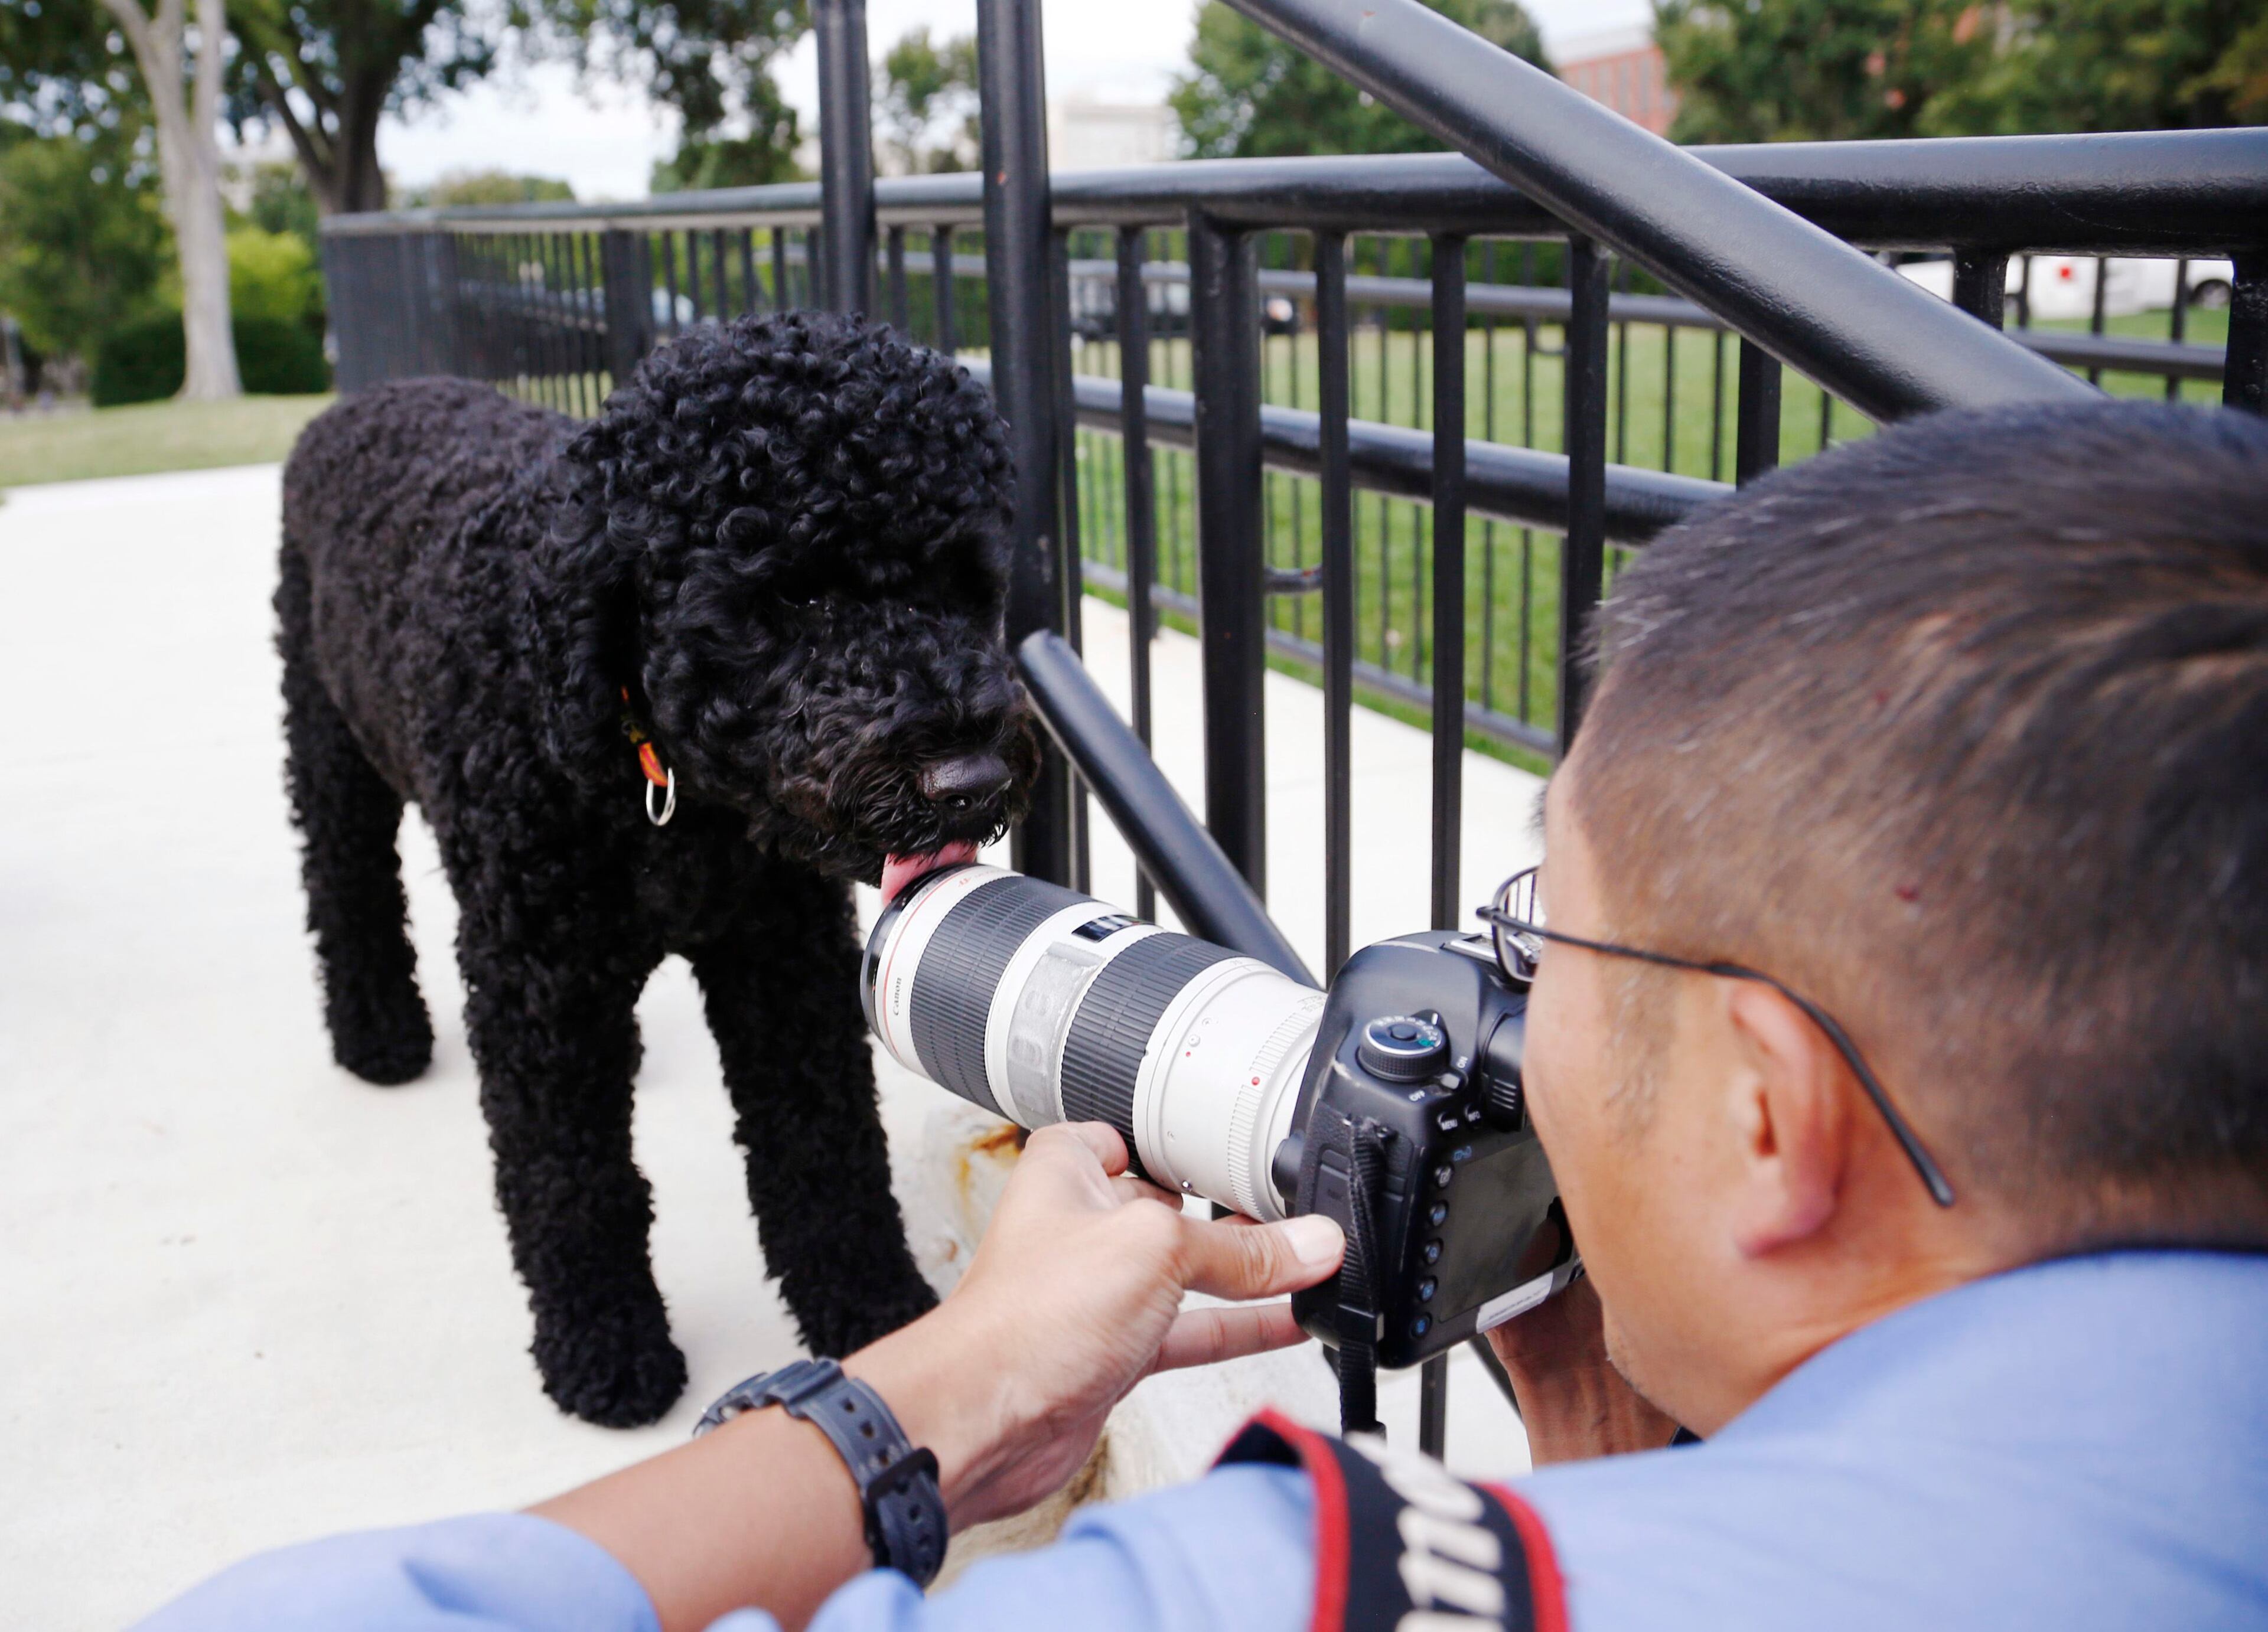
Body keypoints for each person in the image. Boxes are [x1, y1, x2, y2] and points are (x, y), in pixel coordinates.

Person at [139, 400, 2268, 1632]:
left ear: (1770, 1120)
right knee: (477, 966)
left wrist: (929, 1398)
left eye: (1546, 936)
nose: (1501, 995)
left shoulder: (1294, 1587)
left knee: (784, 1017)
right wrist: (1656, 1455)